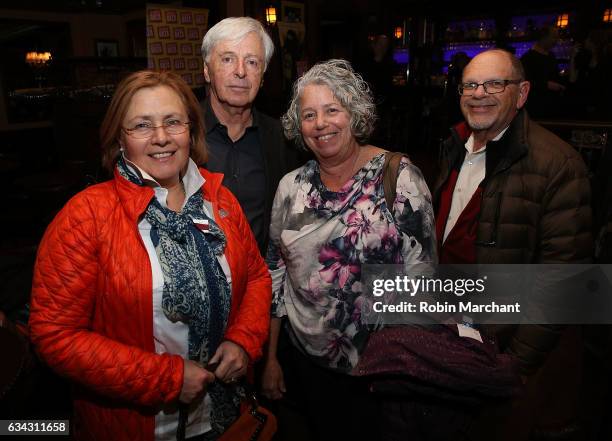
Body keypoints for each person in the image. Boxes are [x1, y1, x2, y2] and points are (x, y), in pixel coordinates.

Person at [29, 70, 272, 441]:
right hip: (139, 427)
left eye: (173, 122)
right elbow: (54, 335)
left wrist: (244, 340)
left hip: (226, 415)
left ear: (191, 130)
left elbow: (256, 276)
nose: (161, 137)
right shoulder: (86, 216)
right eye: (142, 125)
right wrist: (166, 379)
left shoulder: (219, 201)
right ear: (119, 138)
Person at [260, 59, 437, 441]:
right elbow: (275, 273)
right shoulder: (290, 187)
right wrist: (271, 357)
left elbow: (423, 276)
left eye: (332, 110)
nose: (321, 123)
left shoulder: (399, 175)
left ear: (353, 113)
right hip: (304, 362)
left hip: (380, 370)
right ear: (298, 126)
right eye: (309, 114)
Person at [434, 49, 592, 440]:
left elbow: (562, 281)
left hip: (504, 347)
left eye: (494, 84)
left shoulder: (558, 164)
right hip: (457, 332)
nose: (479, 94)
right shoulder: (454, 144)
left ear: (521, 94)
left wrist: (514, 364)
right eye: (469, 85)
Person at [200, 17, 300, 255]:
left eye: (252, 62)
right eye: (227, 59)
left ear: (263, 76)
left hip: (261, 282)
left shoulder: (282, 139)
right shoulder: (179, 133)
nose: (241, 72)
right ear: (206, 70)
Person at [520, 26, 565, 119]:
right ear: (544, 37)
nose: (556, 40)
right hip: (537, 108)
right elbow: (524, 83)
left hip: (553, 106)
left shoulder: (551, 55)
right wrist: (546, 84)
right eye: (554, 37)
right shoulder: (528, 58)